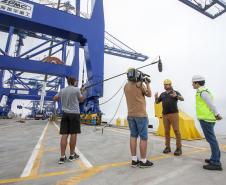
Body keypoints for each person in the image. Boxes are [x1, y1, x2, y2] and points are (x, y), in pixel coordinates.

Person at [192, 75, 223, 171]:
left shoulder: (203, 92)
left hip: (206, 120)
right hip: (207, 119)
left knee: (212, 140)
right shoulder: (202, 91)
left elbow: (211, 104)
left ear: (197, 83)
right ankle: (214, 158)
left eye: (193, 83)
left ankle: (216, 163)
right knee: (211, 140)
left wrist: (217, 114)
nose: (192, 85)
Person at [124, 68, 153, 168]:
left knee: (133, 136)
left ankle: (134, 160)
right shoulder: (140, 85)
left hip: (130, 115)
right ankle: (143, 161)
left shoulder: (126, 86)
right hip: (141, 116)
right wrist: (147, 83)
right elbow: (149, 94)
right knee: (143, 138)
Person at [53, 76, 84, 164]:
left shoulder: (62, 90)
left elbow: (54, 98)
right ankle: (71, 155)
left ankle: (62, 157)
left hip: (65, 114)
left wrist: (62, 100)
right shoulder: (77, 90)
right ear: (74, 82)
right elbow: (81, 100)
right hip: (74, 114)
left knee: (64, 135)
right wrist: (82, 92)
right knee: (73, 134)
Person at [155, 79, 184, 156]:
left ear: (170, 85)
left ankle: (179, 148)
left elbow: (182, 99)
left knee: (176, 131)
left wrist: (176, 96)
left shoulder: (175, 92)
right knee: (166, 132)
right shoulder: (163, 94)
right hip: (165, 115)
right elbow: (157, 102)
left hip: (174, 114)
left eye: (167, 84)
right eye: (164, 84)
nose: (165, 86)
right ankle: (167, 147)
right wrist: (156, 97)